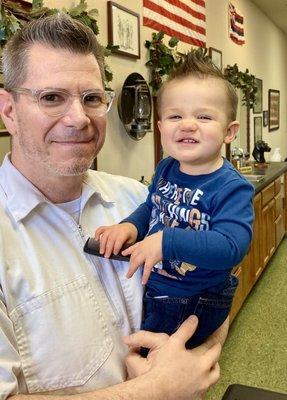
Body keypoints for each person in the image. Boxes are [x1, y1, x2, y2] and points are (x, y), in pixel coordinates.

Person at [0, 13, 227, 400]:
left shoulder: (141, 200)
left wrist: (193, 356)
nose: (78, 119)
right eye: (51, 98)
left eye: (91, 98)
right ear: (8, 110)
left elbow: (214, 283)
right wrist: (157, 388)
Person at [95, 52, 254, 350]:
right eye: (175, 116)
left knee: (153, 368)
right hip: (158, 288)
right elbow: (152, 207)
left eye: (204, 116)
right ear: (160, 127)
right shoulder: (167, 168)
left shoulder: (232, 187)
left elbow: (232, 247)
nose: (188, 125)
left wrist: (166, 242)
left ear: (229, 132)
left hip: (194, 299)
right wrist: (130, 226)